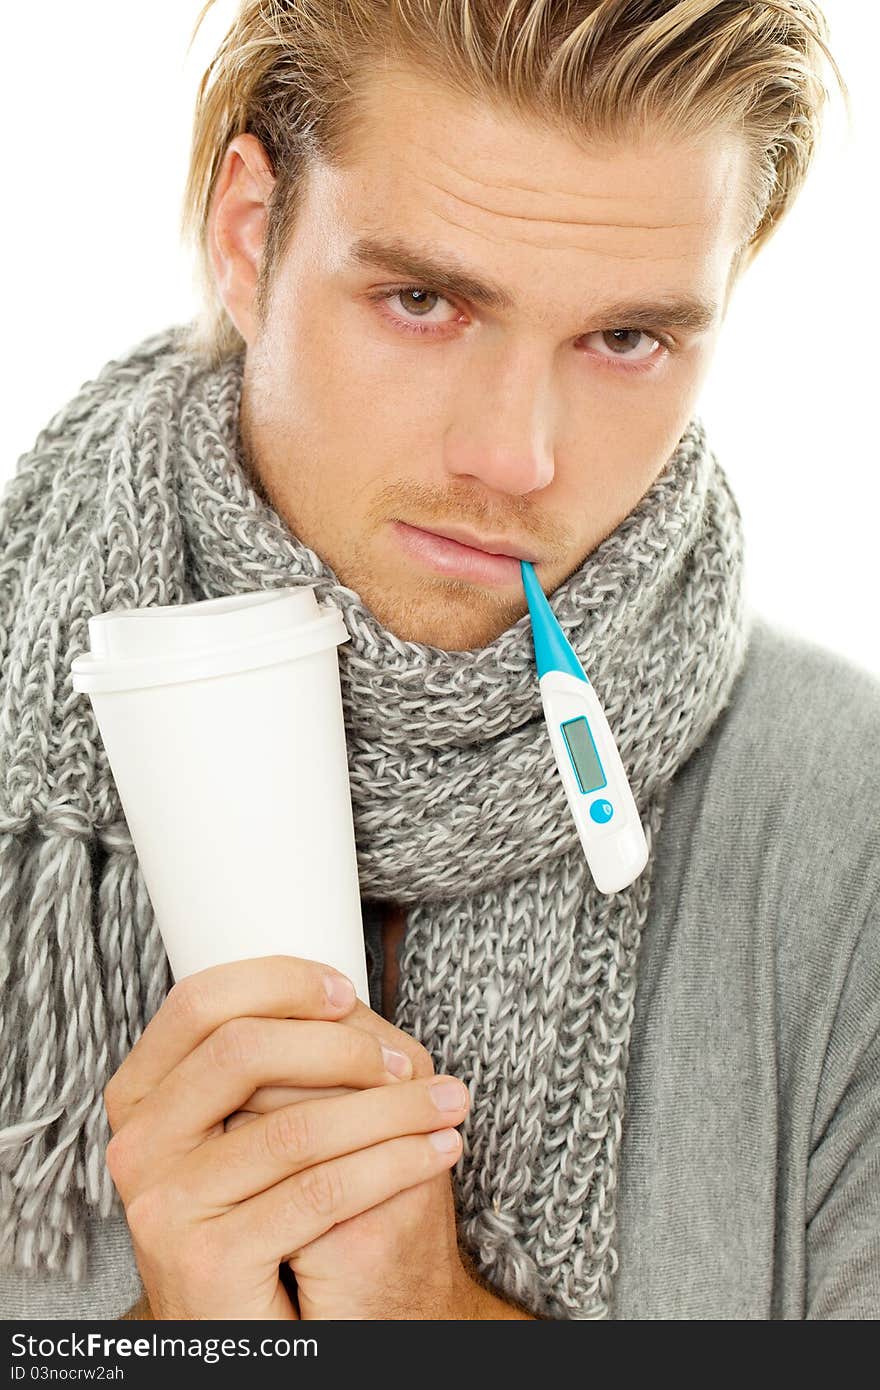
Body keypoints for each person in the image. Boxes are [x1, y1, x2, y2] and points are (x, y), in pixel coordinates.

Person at [0, 0, 876, 1322]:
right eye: (424, 300)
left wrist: (434, 1321)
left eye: (628, 339)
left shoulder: (848, 825)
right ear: (250, 235)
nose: (517, 457)